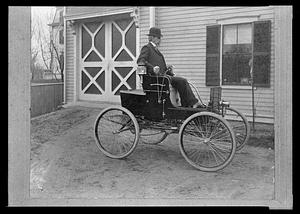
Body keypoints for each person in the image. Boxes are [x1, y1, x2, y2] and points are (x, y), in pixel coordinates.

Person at [137, 27, 203, 108]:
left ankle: (187, 105)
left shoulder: (156, 50)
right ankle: (192, 103)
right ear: (153, 38)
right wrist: (152, 68)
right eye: (159, 38)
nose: (160, 40)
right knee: (182, 81)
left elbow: (163, 68)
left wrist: (170, 72)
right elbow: (140, 61)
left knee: (181, 81)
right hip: (155, 79)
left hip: (163, 77)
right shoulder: (147, 48)